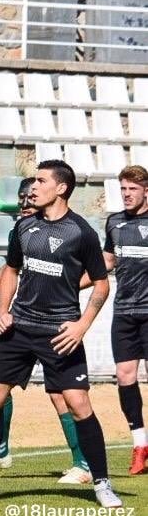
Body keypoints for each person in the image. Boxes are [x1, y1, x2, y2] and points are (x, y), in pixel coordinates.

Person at [0, 160, 120, 508]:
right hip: (20, 328)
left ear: (61, 188)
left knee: (79, 403)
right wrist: (3, 309)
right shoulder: (23, 227)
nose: (33, 187)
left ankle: (101, 484)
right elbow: (11, 270)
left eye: (41, 181)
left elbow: (101, 285)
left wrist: (82, 324)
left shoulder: (82, 232)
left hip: (60, 332)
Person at [0, 177, 90, 484]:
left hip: (54, 322)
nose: (26, 202)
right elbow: (13, 267)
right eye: (23, 198)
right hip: (23, 321)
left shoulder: (71, 230)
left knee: (62, 395)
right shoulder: (24, 228)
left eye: (29, 196)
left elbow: (92, 271)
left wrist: (62, 286)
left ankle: (84, 464)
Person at [86, 165, 148, 475]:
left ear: (145, 190)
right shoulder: (115, 222)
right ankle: (140, 445)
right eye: (123, 189)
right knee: (125, 377)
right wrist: (72, 283)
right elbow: (107, 261)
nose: (126, 194)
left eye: (132, 189)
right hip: (124, 311)